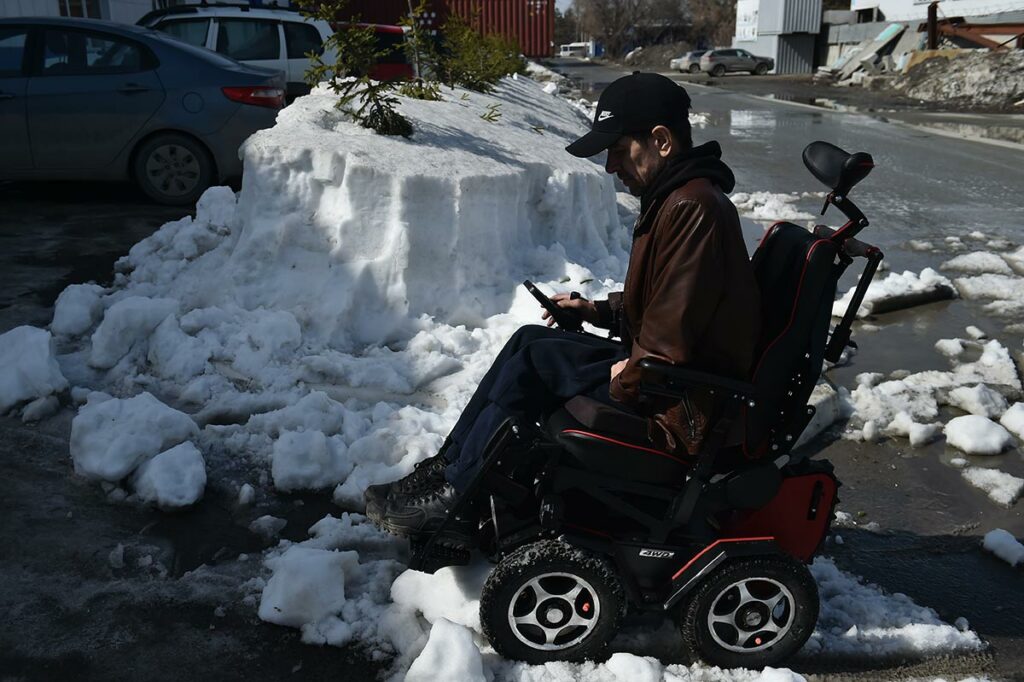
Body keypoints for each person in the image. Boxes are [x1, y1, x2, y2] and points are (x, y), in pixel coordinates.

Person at [366, 72, 761, 545]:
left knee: (536, 361)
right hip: (669, 377)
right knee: (529, 341)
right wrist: (593, 310)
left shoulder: (693, 208)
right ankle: (445, 471)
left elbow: (668, 343)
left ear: (660, 140)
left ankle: (456, 492)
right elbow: (672, 305)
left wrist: (629, 378)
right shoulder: (678, 199)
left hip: (680, 398)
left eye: (618, 150)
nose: (612, 166)